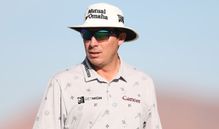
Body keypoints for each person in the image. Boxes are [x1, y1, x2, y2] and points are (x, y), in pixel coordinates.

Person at [32, 3, 162, 129]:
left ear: (121, 38)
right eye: (87, 34)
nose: (92, 43)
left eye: (101, 34)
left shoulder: (143, 83)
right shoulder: (62, 83)